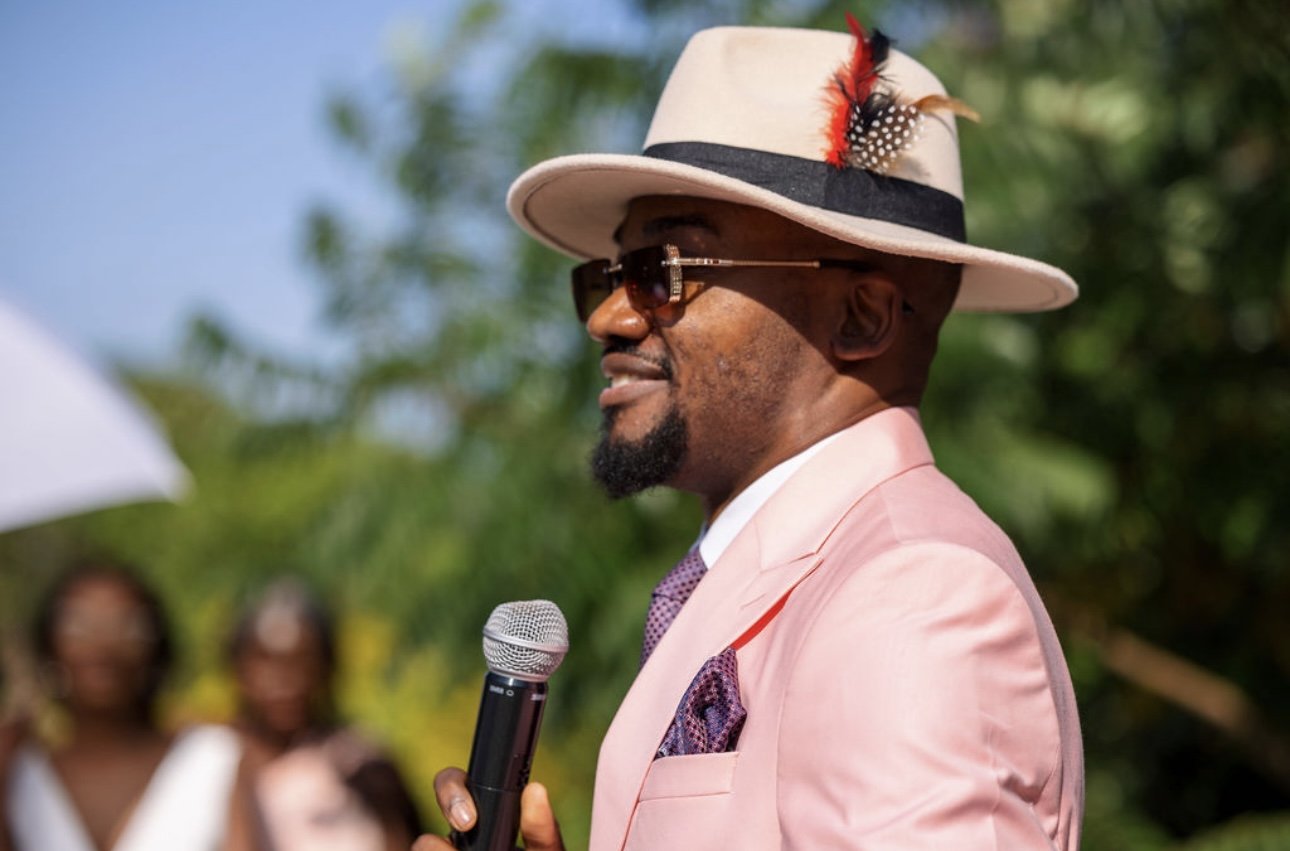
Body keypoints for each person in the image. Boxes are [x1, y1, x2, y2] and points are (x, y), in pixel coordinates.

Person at [418, 15, 1084, 850]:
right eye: (609, 275)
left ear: (861, 315)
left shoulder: (915, 596)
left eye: (664, 271)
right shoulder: (803, 575)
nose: (609, 317)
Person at [1, 559, 257, 851]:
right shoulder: (18, 774)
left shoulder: (211, 759)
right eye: (79, 625)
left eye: (126, 625)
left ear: (157, 649)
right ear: (49, 648)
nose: (102, 644)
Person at [230, 579, 423, 851]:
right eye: (267, 661)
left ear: (327, 667)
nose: (285, 681)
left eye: (302, 661)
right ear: (238, 668)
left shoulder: (362, 764)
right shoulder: (212, 761)